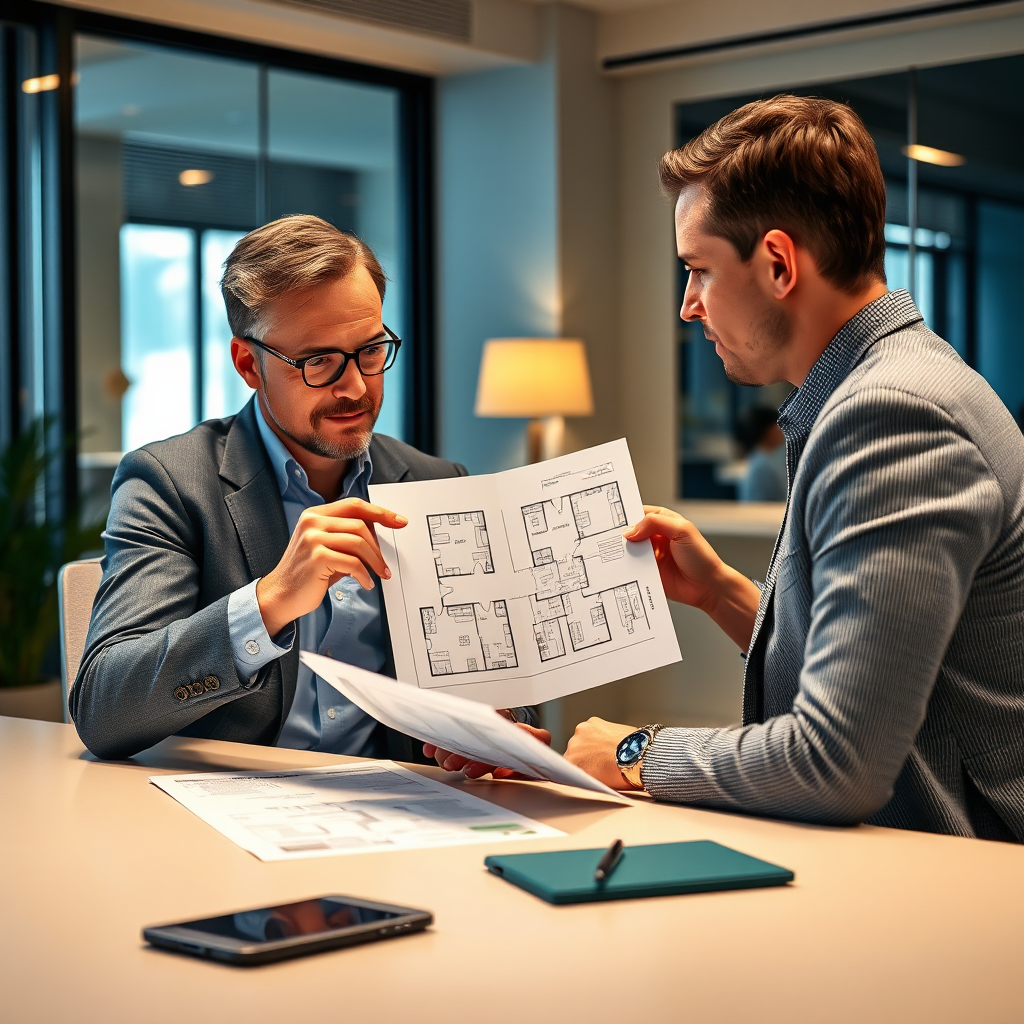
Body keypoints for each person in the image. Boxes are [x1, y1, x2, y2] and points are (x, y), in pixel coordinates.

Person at [432, 96, 1024, 842]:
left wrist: (629, 751)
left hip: (961, 889)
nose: (687, 305)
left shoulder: (893, 415)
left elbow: (837, 762)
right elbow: (888, 670)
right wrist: (724, 596)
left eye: (699, 270)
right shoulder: (887, 384)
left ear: (777, 263)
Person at [71, 216, 538, 761]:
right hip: (224, 810)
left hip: (400, 809)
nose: (357, 386)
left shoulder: (439, 484)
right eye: (318, 361)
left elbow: (505, 695)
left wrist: (494, 725)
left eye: (370, 350)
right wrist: (268, 602)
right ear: (249, 363)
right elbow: (104, 710)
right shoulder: (170, 483)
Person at [733, 406, 787, 502]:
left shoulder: (763, 459)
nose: (783, 429)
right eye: (779, 424)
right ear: (767, 430)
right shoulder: (763, 466)